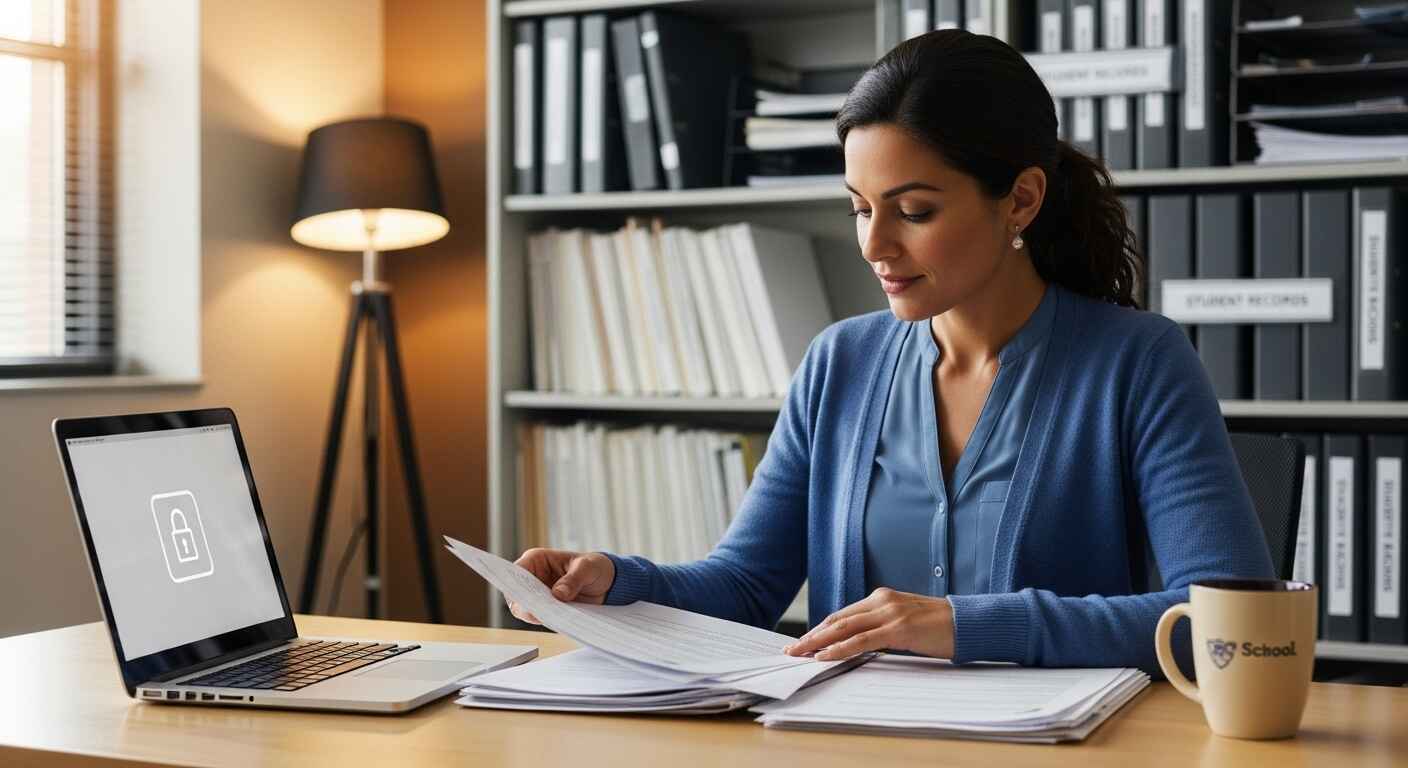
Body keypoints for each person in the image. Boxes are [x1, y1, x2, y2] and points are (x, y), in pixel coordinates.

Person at [508, 29, 1272, 676]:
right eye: (860, 208)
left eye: (913, 210)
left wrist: (965, 625)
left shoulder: (1137, 362)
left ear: (1023, 198)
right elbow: (745, 584)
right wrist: (615, 580)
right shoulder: (840, 363)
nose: (874, 244)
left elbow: (1224, 614)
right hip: (848, 741)